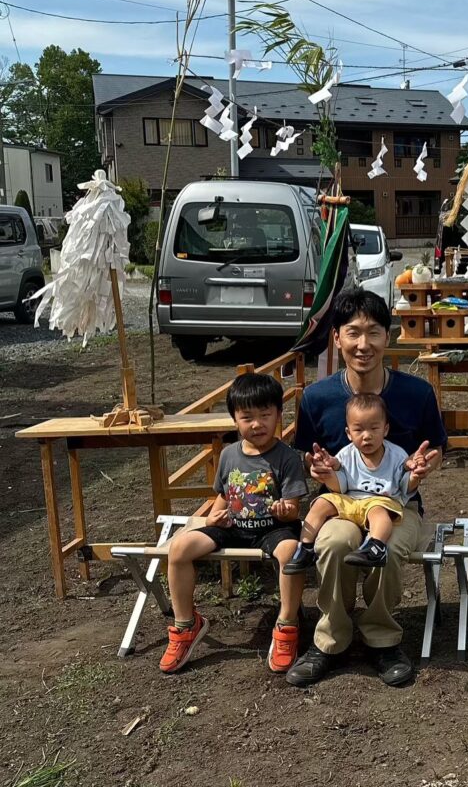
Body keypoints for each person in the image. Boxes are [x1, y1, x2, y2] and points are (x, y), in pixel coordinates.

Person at [286, 289, 446, 688]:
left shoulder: (416, 393)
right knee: (333, 543)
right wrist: (316, 466)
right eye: (353, 332)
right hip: (340, 501)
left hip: (396, 505)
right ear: (336, 337)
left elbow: (436, 448)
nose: (363, 344)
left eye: (373, 332)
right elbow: (306, 453)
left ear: (387, 337)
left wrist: (425, 464)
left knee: (387, 549)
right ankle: (330, 639)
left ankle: (382, 639)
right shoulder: (317, 397)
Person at [160, 373, 308, 675]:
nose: (257, 424)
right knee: (179, 548)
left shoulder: (287, 458)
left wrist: (285, 511)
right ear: (235, 420)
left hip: (274, 528)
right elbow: (223, 496)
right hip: (234, 527)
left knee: (292, 551)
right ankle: (186, 625)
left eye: (265, 415)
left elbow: (294, 510)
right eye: (247, 417)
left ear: (279, 414)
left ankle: (287, 624)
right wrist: (213, 517)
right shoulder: (229, 455)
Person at [283, 393, 428, 573]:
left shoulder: (397, 455)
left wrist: (414, 476)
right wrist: (329, 474)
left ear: (385, 429)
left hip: (381, 501)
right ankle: (305, 547)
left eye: (374, 428)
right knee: (321, 502)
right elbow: (340, 486)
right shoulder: (346, 454)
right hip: (350, 500)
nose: (367, 436)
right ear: (348, 433)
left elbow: (405, 486)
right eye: (358, 430)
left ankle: (376, 546)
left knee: (379, 513)